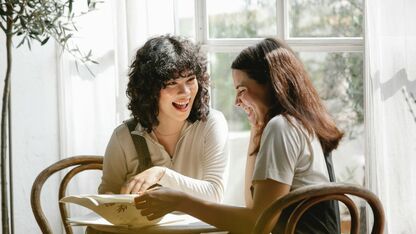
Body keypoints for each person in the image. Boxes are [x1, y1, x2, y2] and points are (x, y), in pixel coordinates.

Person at [134, 38, 344, 233]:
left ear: (272, 85)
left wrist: (180, 201)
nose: (236, 101)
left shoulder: (282, 128)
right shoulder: (296, 123)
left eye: (242, 89)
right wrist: (257, 128)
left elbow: (257, 224)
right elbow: (253, 206)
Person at [98, 34, 229, 203]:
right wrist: (114, 200)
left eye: (190, 79)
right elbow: (107, 195)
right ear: (149, 90)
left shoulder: (211, 123)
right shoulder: (124, 137)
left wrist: (161, 174)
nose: (186, 92)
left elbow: (215, 193)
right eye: (172, 83)